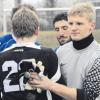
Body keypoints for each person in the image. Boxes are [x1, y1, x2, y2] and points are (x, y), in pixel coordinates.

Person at [28, 2, 100, 100]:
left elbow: (88, 95)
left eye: (79, 23)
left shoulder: (98, 55)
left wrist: (50, 85)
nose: (73, 28)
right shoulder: (60, 51)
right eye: (71, 23)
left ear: (92, 26)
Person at [0, 4, 65, 100]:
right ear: (37, 30)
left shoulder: (2, 56)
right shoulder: (48, 54)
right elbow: (58, 90)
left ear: (13, 30)